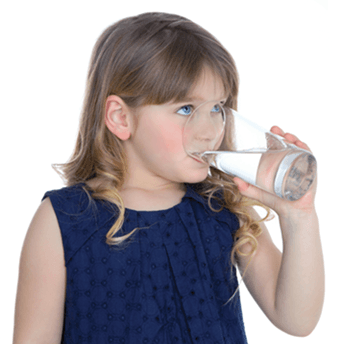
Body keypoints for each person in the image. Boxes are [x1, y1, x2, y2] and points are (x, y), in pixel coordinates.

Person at [13, 12, 324, 344]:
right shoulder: (65, 220)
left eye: (217, 108)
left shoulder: (223, 207)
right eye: (186, 109)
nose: (208, 132)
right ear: (121, 118)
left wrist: (299, 215)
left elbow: (296, 319)